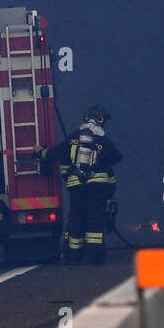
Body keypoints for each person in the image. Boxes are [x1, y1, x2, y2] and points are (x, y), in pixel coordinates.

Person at [39, 105, 121, 265]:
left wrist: (39, 152)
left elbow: (54, 154)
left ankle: (74, 258)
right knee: (96, 221)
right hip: (98, 189)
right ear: (101, 120)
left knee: (77, 219)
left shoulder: (74, 137)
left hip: (77, 188)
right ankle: (96, 257)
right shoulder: (103, 140)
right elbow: (117, 157)